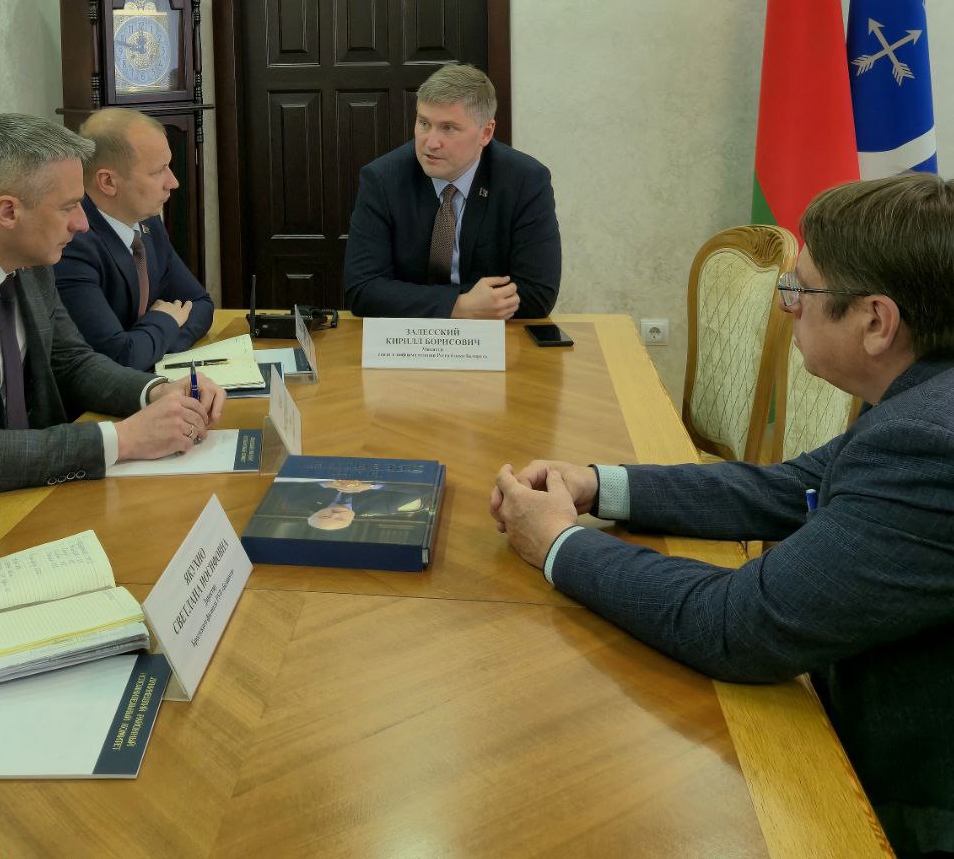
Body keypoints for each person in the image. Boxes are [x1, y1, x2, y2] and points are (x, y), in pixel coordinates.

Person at [489, 173, 954, 857]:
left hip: (902, 808)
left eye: (801, 290)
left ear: (876, 322)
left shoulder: (927, 445)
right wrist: (595, 485)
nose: (787, 307)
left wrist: (557, 542)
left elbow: (738, 626)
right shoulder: (924, 398)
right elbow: (789, 488)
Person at [0, 114, 223, 493]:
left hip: (36, 486)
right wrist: (123, 439)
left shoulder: (28, 249)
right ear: (8, 212)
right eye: (68, 207)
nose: (82, 224)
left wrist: (155, 390)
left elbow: (71, 361)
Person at [342, 64, 561, 319]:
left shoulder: (525, 181)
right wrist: (460, 305)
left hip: (497, 336)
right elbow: (362, 289)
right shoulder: (382, 179)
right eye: (424, 123)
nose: (431, 143)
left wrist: (408, 298)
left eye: (448, 128)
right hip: (409, 336)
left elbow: (538, 293)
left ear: (486, 133)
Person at [54, 108, 214, 371]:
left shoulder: (148, 222)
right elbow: (119, 357)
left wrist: (152, 346)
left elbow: (201, 304)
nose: (173, 182)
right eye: (158, 171)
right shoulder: (71, 244)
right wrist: (165, 321)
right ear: (108, 182)